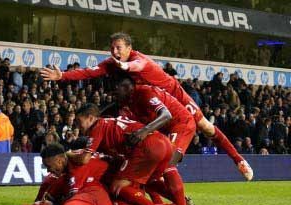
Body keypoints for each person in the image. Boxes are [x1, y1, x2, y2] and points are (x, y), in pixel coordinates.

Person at [40, 32, 253, 181]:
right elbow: (89, 72)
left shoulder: (138, 60)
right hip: (145, 103)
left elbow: (136, 65)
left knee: (206, 128)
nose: (114, 51)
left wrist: (124, 65)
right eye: (112, 48)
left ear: (129, 48)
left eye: (119, 48)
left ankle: (238, 160)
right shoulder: (112, 64)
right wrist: (63, 76)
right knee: (141, 146)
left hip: (173, 95)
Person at [69, 103, 176, 205]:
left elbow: (84, 159)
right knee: (149, 182)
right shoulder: (107, 126)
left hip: (147, 147)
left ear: (90, 118)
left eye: (79, 121)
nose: (77, 126)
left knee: (118, 186)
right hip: (161, 142)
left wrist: (68, 154)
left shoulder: (97, 127)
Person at [115, 75, 196, 205]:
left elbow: (166, 115)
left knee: (168, 166)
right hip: (165, 130)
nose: (115, 92)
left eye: (117, 88)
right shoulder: (130, 102)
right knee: (150, 174)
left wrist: (143, 131)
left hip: (180, 123)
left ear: (127, 87)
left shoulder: (145, 93)